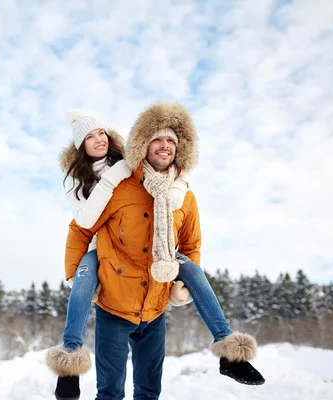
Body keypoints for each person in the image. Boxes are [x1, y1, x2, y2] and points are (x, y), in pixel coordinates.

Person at [62, 102, 265, 399]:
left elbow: (191, 245)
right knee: (109, 393)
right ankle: (68, 361)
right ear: (144, 144)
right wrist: (75, 274)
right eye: (157, 138)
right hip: (115, 305)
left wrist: (181, 286)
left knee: (148, 392)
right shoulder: (117, 186)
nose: (165, 145)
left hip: (154, 306)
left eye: (171, 140)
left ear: (180, 148)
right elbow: (80, 228)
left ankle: (229, 351)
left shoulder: (185, 196)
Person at [46, 110, 191, 400]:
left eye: (101, 133)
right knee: (81, 283)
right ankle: (69, 362)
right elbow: (82, 223)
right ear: (80, 147)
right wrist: (113, 177)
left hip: (140, 269)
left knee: (192, 272)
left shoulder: (132, 165)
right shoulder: (78, 181)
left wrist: (180, 186)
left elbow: (167, 179)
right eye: (89, 137)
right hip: (98, 249)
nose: (98, 140)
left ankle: (227, 344)